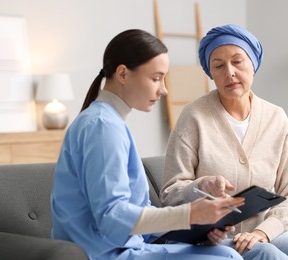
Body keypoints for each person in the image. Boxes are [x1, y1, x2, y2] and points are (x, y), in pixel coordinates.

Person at [50, 29, 246, 260]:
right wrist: (189, 214)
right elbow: (112, 218)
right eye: (156, 78)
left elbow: (134, 214)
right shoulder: (102, 126)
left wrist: (201, 223)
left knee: (224, 252)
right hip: (103, 253)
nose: (164, 89)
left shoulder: (110, 122)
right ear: (123, 74)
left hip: (129, 246)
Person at [160, 24, 288, 260]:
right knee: (267, 255)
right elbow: (169, 192)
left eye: (238, 61)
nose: (229, 72)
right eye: (218, 65)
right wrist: (200, 185)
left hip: (259, 232)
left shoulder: (275, 118)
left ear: (253, 65)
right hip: (209, 237)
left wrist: (263, 231)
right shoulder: (193, 117)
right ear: (211, 73)